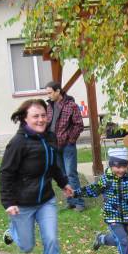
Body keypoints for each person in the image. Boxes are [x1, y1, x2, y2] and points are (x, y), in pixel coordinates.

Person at [0, 99, 73, 254]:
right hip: (23, 204)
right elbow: (6, 173)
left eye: (43, 115)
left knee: (51, 241)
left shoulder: (50, 137)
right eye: (35, 116)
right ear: (25, 119)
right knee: (27, 247)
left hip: (46, 201)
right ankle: (13, 230)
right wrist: (8, 202)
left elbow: (53, 165)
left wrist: (63, 183)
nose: (41, 120)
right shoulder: (18, 143)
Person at [45, 81, 85, 211]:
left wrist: (70, 140)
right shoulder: (49, 106)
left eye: (50, 92)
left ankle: (79, 203)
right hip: (54, 146)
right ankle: (71, 201)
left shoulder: (71, 105)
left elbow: (79, 125)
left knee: (71, 174)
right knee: (62, 176)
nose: (48, 95)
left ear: (58, 91)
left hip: (67, 146)